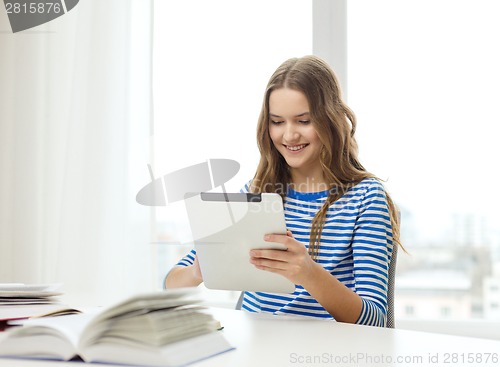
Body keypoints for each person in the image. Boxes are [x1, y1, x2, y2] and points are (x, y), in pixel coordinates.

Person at [164, 55, 401, 327]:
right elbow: (170, 283)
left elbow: (375, 321)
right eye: (277, 122)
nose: (289, 136)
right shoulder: (256, 192)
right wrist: (197, 272)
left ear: (330, 120)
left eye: (303, 121)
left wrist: (308, 272)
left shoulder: (365, 198)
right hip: (255, 350)